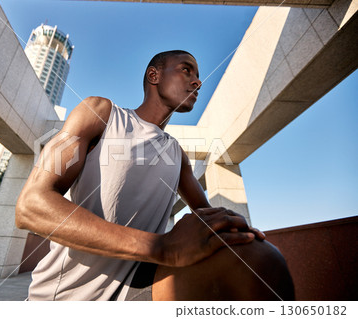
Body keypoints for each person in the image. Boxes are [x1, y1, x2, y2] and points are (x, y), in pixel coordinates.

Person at [15, 50, 294, 301]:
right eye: (187, 70)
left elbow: (206, 217)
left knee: (259, 259)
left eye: (198, 76)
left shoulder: (176, 154)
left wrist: (234, 228)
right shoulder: (99, 113)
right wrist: (161, 247)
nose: (197, 81)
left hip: (138, 286)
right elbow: (30, 207)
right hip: (65, 296)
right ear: (154, 75)